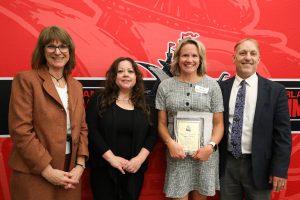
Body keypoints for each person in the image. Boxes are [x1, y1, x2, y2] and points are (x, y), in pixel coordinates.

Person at [8, 26, 89, 200]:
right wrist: (47, 170)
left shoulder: (76, 86)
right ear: (42, 51)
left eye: (63, 46)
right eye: (51, 46)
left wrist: (80, 166)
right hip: (34, 172)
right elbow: (20, 130)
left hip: (70, 174)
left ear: (70, 51)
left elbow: (82, 128)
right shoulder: (26, 80)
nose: (58, 51)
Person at [219, 38, 292, 200]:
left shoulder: (275, 91)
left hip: (261, 167)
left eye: (253, 53)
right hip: (227, 165)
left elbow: (283, 136)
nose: (248, 57)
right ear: (234, 58)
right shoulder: (221, 88)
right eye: (242, 53)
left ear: (259, 59)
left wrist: (279, 169)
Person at [155, 37, 224, 200]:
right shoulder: (165, 86)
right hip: (177, 154)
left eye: (194, 56)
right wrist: (170, 143)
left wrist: (210, 147)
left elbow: (219, 124)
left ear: (200, 59)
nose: (189, 60)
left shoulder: (212, 86)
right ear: (177, 58)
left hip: (205, 155)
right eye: (185, 55)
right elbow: (161, 124)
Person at [86, 57, 157, 200]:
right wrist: (111, 159)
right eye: (120, 71)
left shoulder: (147, 103)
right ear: (114, 76)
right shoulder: (98, 99)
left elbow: (153, 135)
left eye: (130, 71)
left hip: (134, 170)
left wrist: (139, 160)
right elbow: (92, 131)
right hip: (104, 168)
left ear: (136, 77)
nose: (126, 74)